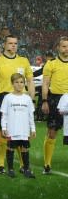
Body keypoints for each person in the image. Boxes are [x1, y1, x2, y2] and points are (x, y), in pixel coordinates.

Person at [0, 35, 34, 173]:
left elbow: (30, 81)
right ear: (4, 45)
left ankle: (22, 165)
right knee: (4, 133)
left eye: (15, 43)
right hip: (4, 98)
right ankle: (1, 164)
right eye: (10, 43)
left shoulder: (23, 61)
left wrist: (31, 100)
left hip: (21, 99)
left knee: (21, 133)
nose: (13, 46)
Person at [40, 36, 68, 174]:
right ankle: (47, 164)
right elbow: (45, 84)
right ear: (58, 47)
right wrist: (45, 101)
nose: (66, 49)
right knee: (52, 132)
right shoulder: (51, 64)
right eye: (64, 46)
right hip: (55, 99)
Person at [0, 73, 36, 178]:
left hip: (24, 129)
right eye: (16, 82)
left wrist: (33, 128)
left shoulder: (27, 99)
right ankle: (10, 169)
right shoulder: (8, 98)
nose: (19, 85)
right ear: (12, 83)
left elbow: (30, 115)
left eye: (21, 82)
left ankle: (26, 169)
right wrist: (4, 127)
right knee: (11, 148)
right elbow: (4, 115)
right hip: (12, 129)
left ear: (24, 84)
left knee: (25, 148)